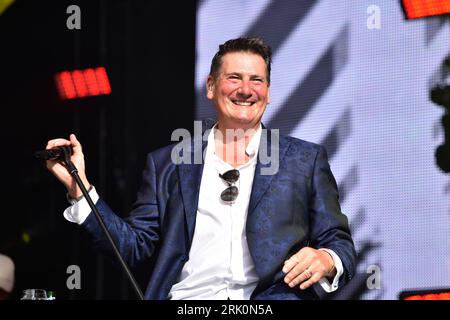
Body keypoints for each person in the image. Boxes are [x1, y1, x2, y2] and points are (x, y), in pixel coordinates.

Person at [45, 37, 356, 300]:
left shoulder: (303, 160)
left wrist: (325, 258)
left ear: (268, 93)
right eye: (234, 78)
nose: (246, 89)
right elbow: (132, 248)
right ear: (211, 86)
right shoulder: (167, 164)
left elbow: (338, 242)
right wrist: (80, 188)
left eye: (256, 80)